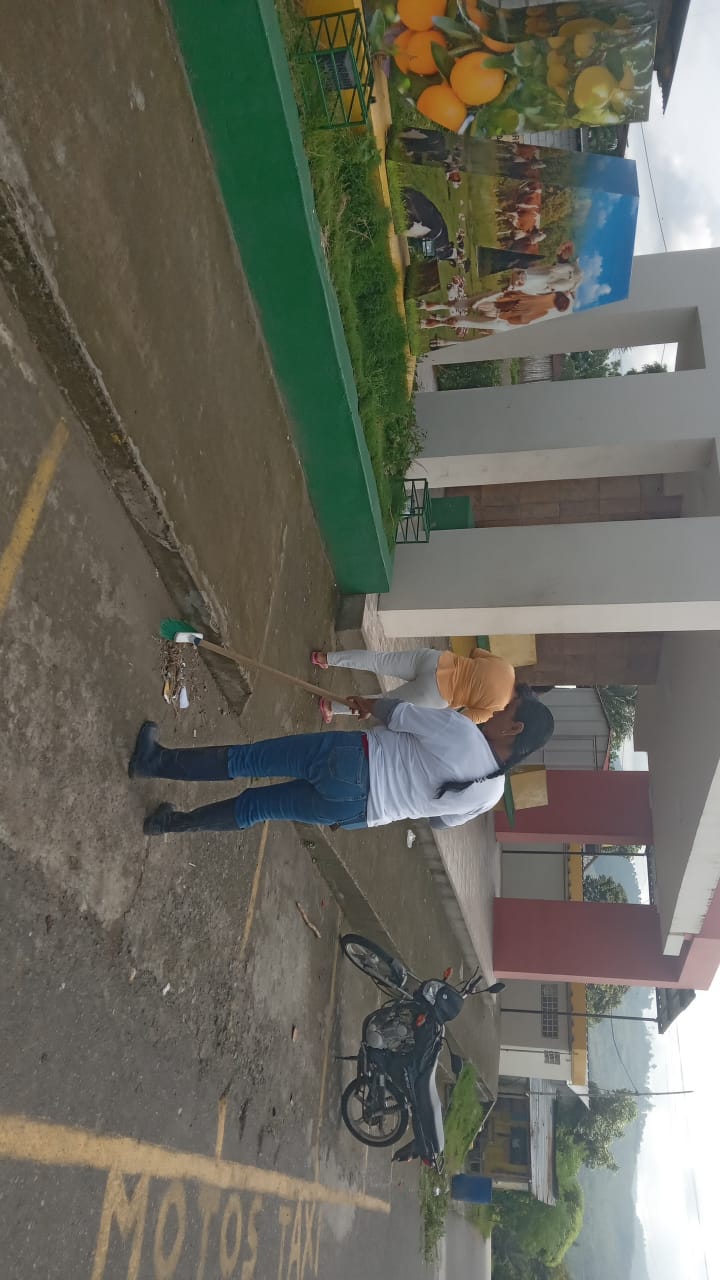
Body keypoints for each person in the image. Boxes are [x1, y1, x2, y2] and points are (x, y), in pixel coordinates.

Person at [130, 688, 555, 836]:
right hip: (356, 812)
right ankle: (168, 824)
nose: (496, 711)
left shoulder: (464, 732)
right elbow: (439, 822)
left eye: (506, 711)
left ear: (514, 730)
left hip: (350, 760)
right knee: (257, 807)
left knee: (248, 759)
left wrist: (366, 703)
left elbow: (397, 713)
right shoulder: (492, 793)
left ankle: (153, 761)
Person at [310, 645, 516, 725]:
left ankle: (324, 657)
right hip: (436, 694)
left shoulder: (508, 668)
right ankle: (330, 706)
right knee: (381, 703)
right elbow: (462, 721)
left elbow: (475, 652)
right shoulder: (497, 707)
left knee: (379, 660)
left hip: (436, 659)